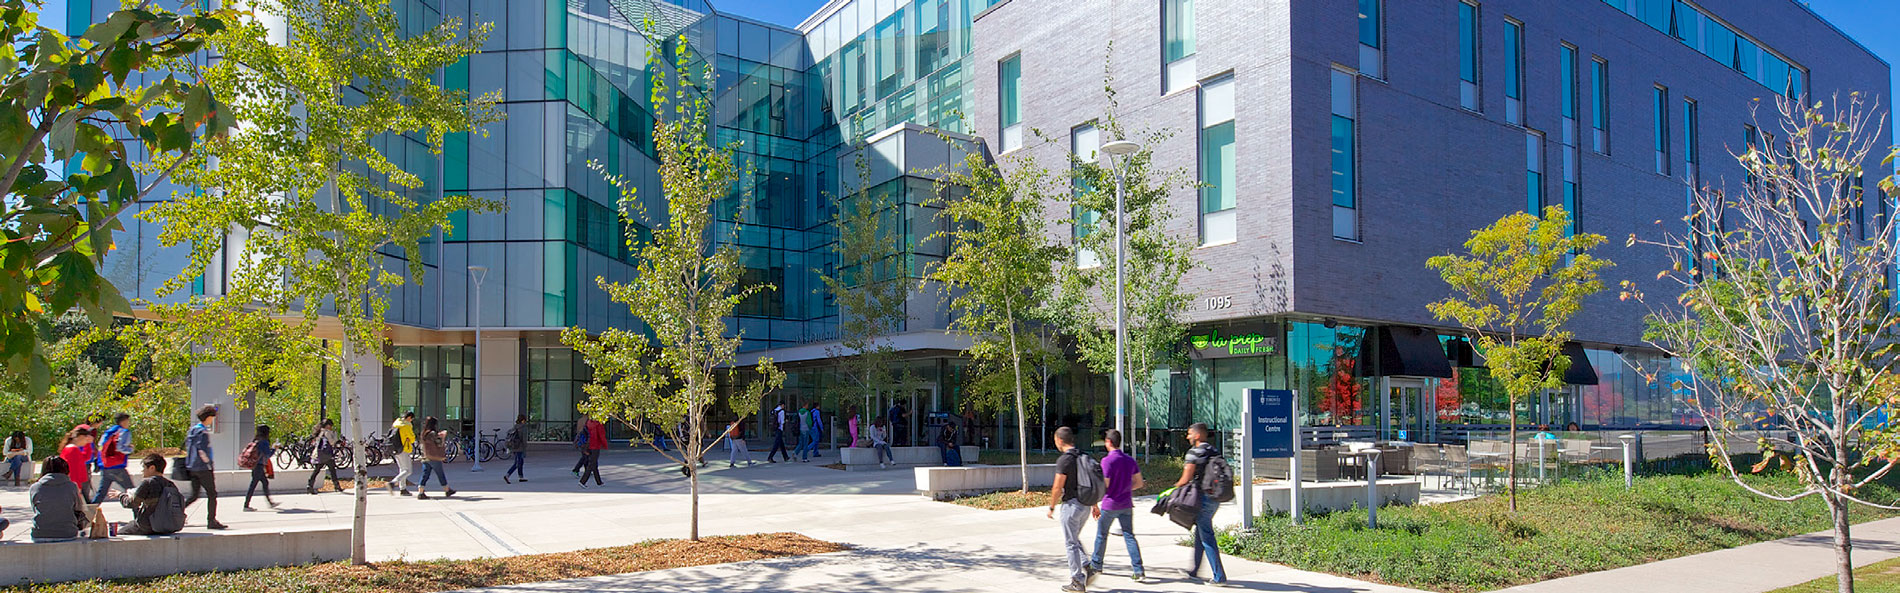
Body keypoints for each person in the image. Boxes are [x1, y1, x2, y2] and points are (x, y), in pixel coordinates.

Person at [1175, 422, 1229, 586]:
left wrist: (1171, 491)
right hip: (1215, 498)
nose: (1187, 436)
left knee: (1207, 537)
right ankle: (1194, 571)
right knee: (1201, 533)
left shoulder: (1194, 453)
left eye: (1190, 433)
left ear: (1197, 435)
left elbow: (1186, 478)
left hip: (1203, 499)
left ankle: (1219, 577)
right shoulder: (1213, 450)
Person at [1090, 429, 1146, 583]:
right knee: (1129, 536)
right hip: (1126, 504)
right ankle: (1138, 570)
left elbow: (1104, 485)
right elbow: (1139, 482)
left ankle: (1096, 565)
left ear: (1108, 442)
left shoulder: (1107, 461)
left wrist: (1094, 503)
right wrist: (1125, 488)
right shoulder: (1129, 460)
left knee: (1102, 535)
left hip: (1110, 504)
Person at [1047, 426, 1093, 592]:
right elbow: (1091, 482)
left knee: (1071, 543)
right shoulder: (1084, 456)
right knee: (1074, 538)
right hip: (1086, 506)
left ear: (1060, 440)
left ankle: (1077, 580)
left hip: (1072, 506)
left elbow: (1057, 487)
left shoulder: (1064, 460)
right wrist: (1094, 505)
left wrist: (1052, 507)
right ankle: (1088, 565)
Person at [112, 454, 184, 536]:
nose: (142, 471)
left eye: (144, 468)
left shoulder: (148, 483)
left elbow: (131, 503)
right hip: (167, 526)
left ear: (152, 468)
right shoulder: (170, 484)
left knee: (121, 533)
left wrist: (120, 495)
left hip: (147, 526)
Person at [181, 404, 227, 529]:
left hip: (191, 467)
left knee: (194, 495)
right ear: (208, 417)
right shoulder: (203, 432)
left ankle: (177, 512)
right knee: (212, 494)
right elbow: (202, 451)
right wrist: (208, 464)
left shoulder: (193, 430)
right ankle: (211, 521)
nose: (213, 420)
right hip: (203, 468)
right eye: (212, 417)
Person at [28, 457, 87, 542]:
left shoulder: (35, 487)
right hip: (67, 533)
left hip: (40, 534)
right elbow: (78, 508)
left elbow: (35, 508)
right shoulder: (71, 486)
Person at [90, 413, 135, 505]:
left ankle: (89, 514)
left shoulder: (109, 431)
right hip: (117, 467)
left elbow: (100, 446)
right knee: (131, 491)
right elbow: (120, 448)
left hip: (106, 466)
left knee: (101, 494)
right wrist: (130, 449)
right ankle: (138, 515)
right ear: (124, 421)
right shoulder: (124, 432)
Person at [415, 416, 456, 500]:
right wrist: (443, 436)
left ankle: (420, 491)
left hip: (426, 456)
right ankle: (447, 490)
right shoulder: (432, 433)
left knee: (425, 475)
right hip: (434, 457)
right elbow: (439, 443)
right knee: (440, 474)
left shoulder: (424, 433)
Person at [56, 425, 96, 502]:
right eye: (86, 438)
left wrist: (88, 444)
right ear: (80, 437)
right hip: (72, 485)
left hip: (71, 485)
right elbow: (73, 470)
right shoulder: (72, 450)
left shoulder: (73, 449)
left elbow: (86, 457)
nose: (87, 440)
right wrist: (77, 486)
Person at [243, 425, 277, 511]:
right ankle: (246, 505)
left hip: (255, 465)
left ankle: (270, 502)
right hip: (259, 465)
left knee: (265, 482)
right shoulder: (264, 442)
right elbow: (268, 454)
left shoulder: (256, 440)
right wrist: (274, 449)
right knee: (253, 485)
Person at [306, 419, 343, 495]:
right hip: (327, 455)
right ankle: (337, 486)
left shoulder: (320, 432)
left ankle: (310, 486)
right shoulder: (327, 432)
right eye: (331, 425)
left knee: (316, 470)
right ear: (328, 425)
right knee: (332, 470)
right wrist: (335, 434)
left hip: (319, 454)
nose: (331, 427)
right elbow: (332, 442)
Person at [389, 411, 417, 497]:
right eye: (411, 419)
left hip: (396, 449)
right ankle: (393, 483)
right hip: (404, 449)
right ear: (409, 418)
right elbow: (412, 438)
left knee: (402, 469)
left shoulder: (396, 423)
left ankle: (403, 489)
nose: (411, 421)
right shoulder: (406, 426)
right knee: (408, 471)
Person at [578, 414, 606, 487]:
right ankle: (583, 481)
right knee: (592, 464)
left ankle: (599, 482)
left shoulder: (589, 423)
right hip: (595, 445)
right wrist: (604, 445)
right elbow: (601, 435)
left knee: (594, 464)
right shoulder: (598, 424)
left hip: (588, 444)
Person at [503, 415, 528, 484]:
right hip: (519, 447)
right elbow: (524, 439)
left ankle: (521, 477)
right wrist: (525, 447)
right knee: (517, 463)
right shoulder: (523, 427)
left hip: (514, 446)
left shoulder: (515, 426)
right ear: (523, 420)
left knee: (521, 462)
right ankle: (507, 475)